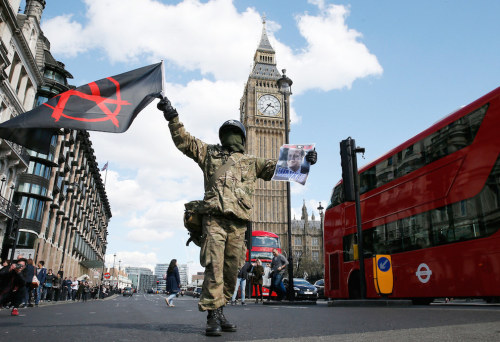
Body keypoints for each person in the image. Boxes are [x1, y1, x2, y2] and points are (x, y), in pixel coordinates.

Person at [157, 96, 317, 336]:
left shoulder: (251, 162)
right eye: (227, 132)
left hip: (239, 224)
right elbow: (185, 141)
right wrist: (172, 116)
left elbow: (276, 167)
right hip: (214, 220)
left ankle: (220, 309)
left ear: (241, 138)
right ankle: (212, 315)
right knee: (214, 267)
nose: (230, 137)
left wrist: (305, 160)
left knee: (231, 270)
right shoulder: (209, 154)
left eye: (234, 132)